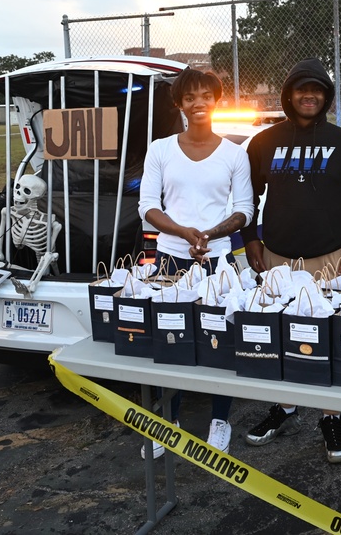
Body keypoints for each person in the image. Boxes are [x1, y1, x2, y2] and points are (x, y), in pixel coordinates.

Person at [241, 58, 341, 464]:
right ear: (288, 95)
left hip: (330, 259)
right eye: (302, 89)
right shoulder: (264, 143)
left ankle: (331, 417)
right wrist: (250, 238)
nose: (310, 96)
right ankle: (284, 406)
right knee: (281, 337)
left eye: (318, 90)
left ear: (327, 96)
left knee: (327, 340)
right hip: (277, 259)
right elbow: (245, 195)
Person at [138, 68, 254, 455]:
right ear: (180, 104)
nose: (199, 103)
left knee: (218, 343)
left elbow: (244, 210)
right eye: (190, 97)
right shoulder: (160, 149)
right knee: (170, 342)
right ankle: (166, 423)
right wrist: (184, 232)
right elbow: (148, 206)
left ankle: (219, 420)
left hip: (216, 263)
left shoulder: (235, 154)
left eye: (206, 95)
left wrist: (210, 236)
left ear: (217, 100)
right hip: (170, 261)